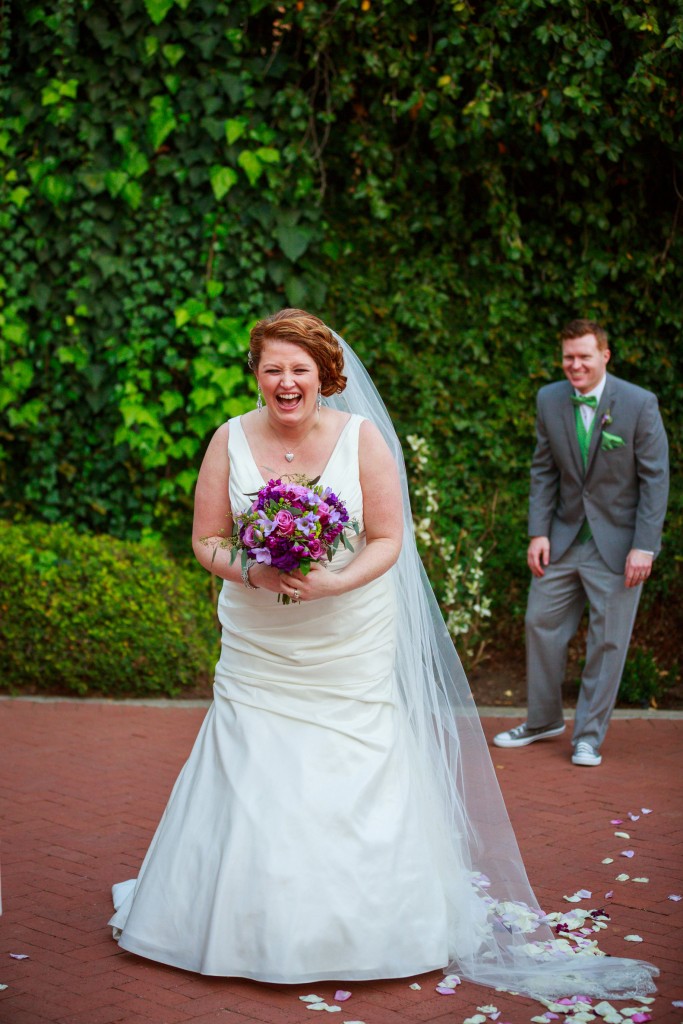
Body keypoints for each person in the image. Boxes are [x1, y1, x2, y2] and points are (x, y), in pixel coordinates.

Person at [110, 309, 657, 999]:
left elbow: (388, 540)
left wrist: (334, 579)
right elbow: (208, 539)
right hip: (260, 635)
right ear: (256, 375)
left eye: (298, 370)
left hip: (346, 634)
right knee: (250, 754)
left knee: (351, 763)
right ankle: (240, 921)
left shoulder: (361, 440)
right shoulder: (228, 439)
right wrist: (252, 571)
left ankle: (363, 924)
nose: (285, 382)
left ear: (324, 377)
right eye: (272, 369)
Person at [494, 319, 669, 766]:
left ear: (604, 356)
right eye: (568, 356)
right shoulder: (549, 399)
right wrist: (538, 532)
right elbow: (544, 469)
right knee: (539, 622)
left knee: (608, 642)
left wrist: (645, 546)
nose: (575, 365)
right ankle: (543, 721)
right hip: (564, 537)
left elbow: (655, 480)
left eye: (584, 356)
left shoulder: (639, 403)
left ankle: (588, 736)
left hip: (619, 545)